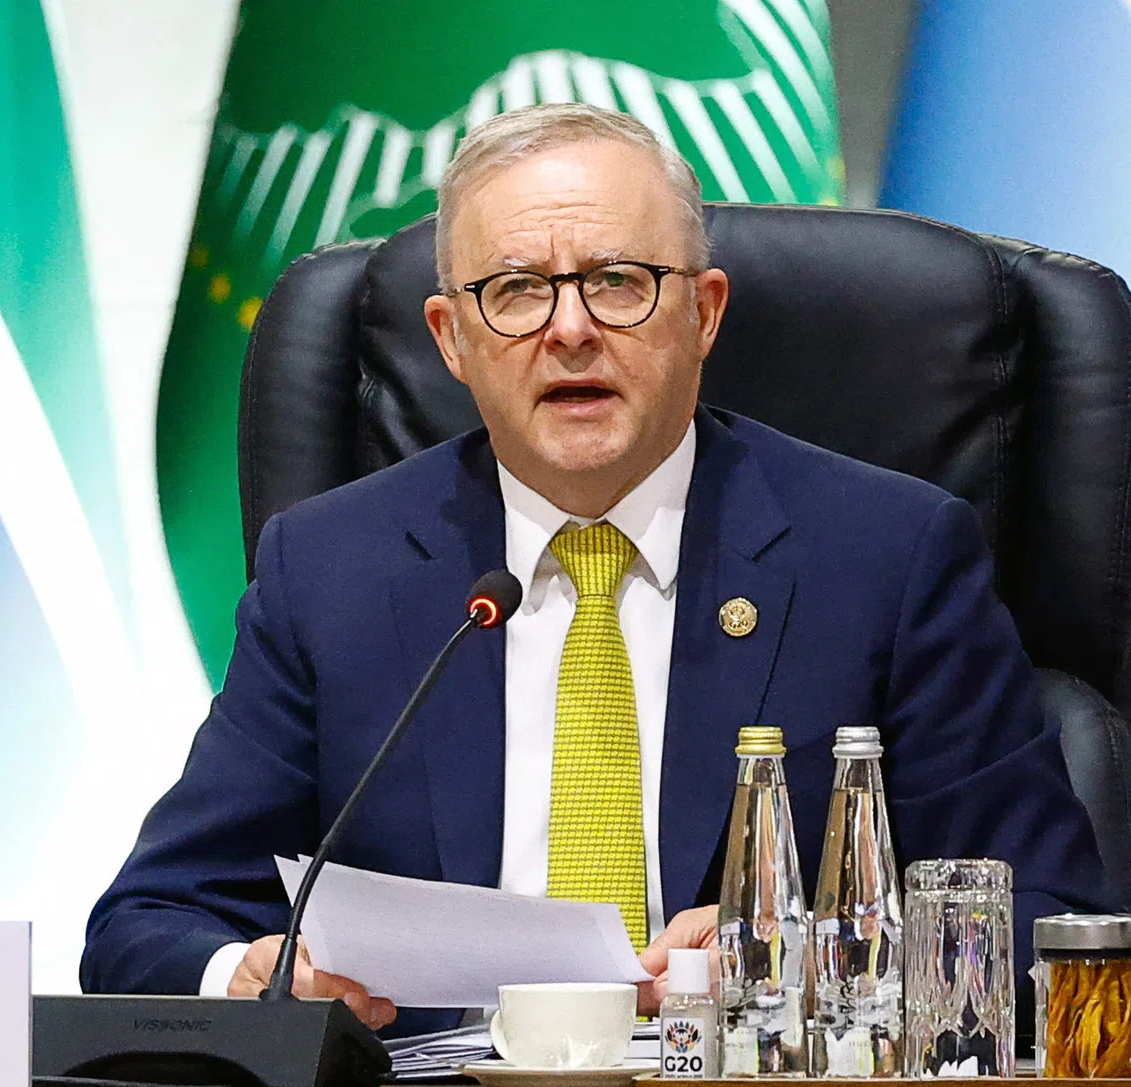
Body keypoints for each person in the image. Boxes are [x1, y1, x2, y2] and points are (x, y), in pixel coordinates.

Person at [81, 104, 1107, 1038]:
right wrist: (255, 977)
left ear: (703, 313)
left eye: (617, 282)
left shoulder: (889, 555)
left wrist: (804, 957)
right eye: (518, 290)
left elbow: (1045, 917)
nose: (570, 329)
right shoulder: (330, 570)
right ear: (450, 339)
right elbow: (149, 925)